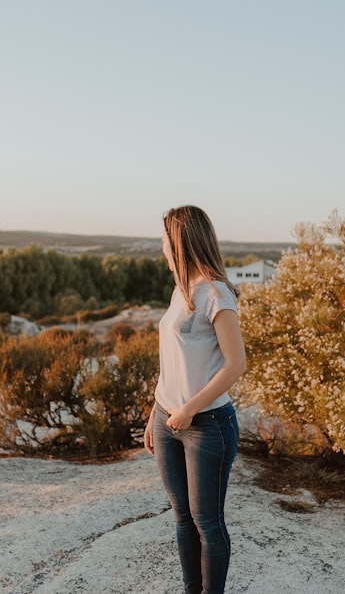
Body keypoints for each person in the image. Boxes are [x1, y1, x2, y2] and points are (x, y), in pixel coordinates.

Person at [144, 205, 246, 594]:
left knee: (208, 523)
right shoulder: (181, 289)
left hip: (207, 427)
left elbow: (236, 365)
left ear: (181, 243)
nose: (162, 249)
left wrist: (188, 409)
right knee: (182, 519)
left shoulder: (217, 293)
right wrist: (156, 411)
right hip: (167, 420)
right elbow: (172, 360)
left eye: (165, 241)